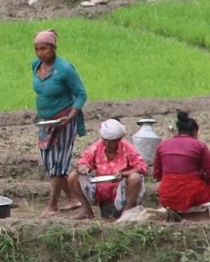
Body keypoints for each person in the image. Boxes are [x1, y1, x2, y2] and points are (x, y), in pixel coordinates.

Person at [31, 28, 88, 217]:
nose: (40, 53)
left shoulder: (65, 69)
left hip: (63, 121)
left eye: (44, 49)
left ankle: (52, 205)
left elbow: (81, 94)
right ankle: (73, 199)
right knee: (49, 162)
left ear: (53, 48)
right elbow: (43, 92)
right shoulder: (35, 66)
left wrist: (70, 116)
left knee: (58, 164)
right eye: (37, 49)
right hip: (45, 123)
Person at [67, 118, 147, 220]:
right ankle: (87, 211)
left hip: (121, 190)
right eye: (105, 140)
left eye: (111, 141)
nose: (107, 144)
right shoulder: (97, 147)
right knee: (73, 176)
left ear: (118, 139)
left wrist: (123, 174)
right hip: (100, 191)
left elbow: (142, 167)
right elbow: (84, 161)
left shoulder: (127, 148)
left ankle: (127, 213)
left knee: (135, 178)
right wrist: (82, 167)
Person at [153, 111, 210, 212]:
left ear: (178, 131)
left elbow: (157, 175)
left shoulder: (162, 145)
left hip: (168, 195)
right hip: (193, 194)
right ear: (195, 132)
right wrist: (201, 175)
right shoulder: (200, 145)